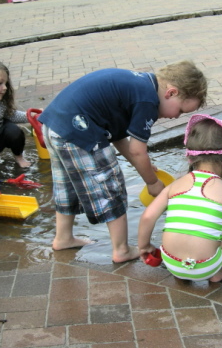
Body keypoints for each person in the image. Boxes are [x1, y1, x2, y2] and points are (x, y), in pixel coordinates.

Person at [37, 60, 207, 256]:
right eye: (181, 111)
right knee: (111, 186)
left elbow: (119, 138)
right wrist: (152, 182)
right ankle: (122, 250)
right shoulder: (148, 102)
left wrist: (143, 165)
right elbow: (137, 150)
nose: (176, 117)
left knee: (67, 185)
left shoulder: (141, 86)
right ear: (171, 93)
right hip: (80, 130)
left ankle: (63, 238)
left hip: (55, 126)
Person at [138, 114, 222, 283]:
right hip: (207, 267)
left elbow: (147, 217)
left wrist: (144, 246)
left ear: (189, 156)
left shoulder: (174, 186)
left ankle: (182, 271)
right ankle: (218, 273)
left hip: (171, 263)